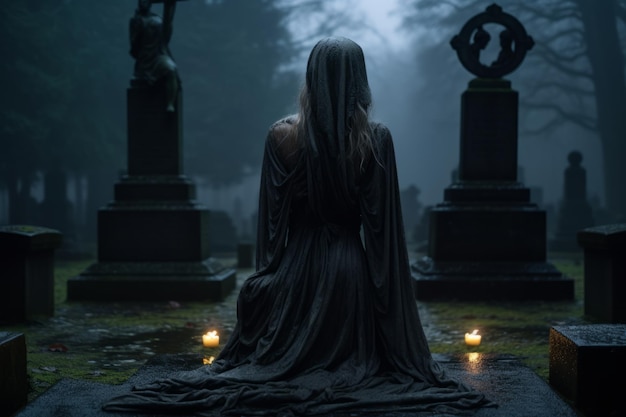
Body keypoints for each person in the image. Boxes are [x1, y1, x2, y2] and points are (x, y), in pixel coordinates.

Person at [103, 36, 496, 416]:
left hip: (294, 273)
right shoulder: (376, 138)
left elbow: (273, 228)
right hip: (349, 273)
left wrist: (268, 277)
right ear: (359, 78)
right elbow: (382, 235)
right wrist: (388, 308)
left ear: (311, 75)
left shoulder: (281, 136)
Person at [129, 0, 180, 112]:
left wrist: (169, 7)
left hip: (159, 57)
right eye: (141, 1)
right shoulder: (135, 20)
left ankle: (170, 103)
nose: (143, 3)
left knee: (171, 69)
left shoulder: (157, 19)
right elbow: (134, 47)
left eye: (146, 1)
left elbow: (166, 37)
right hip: (144, 60)